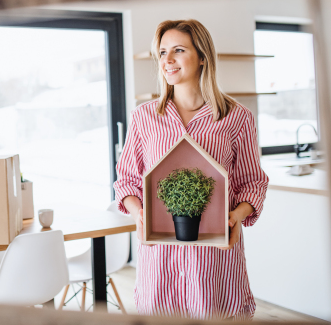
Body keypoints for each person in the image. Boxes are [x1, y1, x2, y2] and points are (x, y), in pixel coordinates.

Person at [115, 19, 268, 320]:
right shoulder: (144, 118)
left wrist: (236, 217)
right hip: (160, 261)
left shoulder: (237, 118)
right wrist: (139, 214)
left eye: (178, 50)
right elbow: (128, 182)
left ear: (202, 57)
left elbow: (253, 183)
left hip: (215, 259)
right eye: (161, 53)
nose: (167, 60)